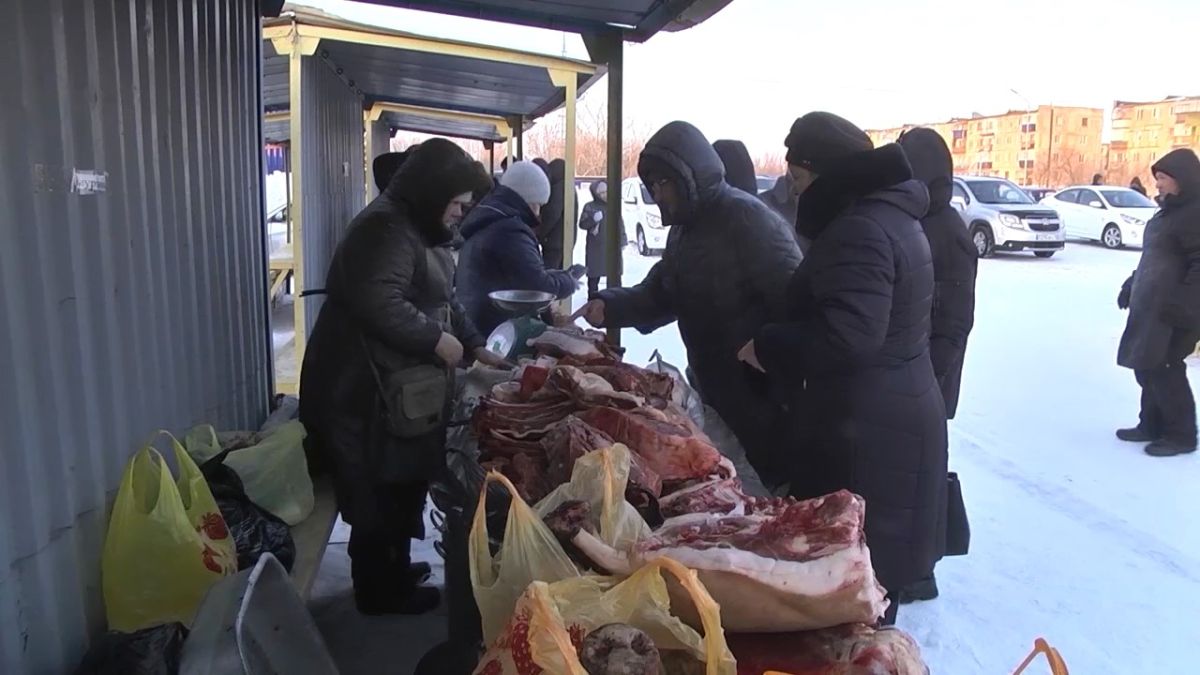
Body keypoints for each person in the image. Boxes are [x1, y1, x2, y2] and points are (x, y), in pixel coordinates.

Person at [737, 112, 947, 626]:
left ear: (829, 174)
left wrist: (767, 346)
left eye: (802, 178)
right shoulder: (889, 217)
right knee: (871, 591)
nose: (795, 189)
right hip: (890, 418)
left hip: (869, 436)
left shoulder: (861, 229)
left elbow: (848, 337)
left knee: (856, 601)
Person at [299, 139, 502, 616]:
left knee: (403, 479)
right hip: (361, 391)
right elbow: (379, 301)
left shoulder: (420, 227)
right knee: (375, 485)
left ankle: (395, 565)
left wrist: (474, 344)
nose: (459, 214)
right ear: (433, 195)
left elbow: (443, 298)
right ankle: (377, 588)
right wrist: (435, 340)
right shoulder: (384, 229)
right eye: (456, 204)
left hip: (395, 388)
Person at [575, 121, 802, 489]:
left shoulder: (749, 220)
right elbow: (663, 292)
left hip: (761, 404)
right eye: (651, 186)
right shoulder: (685, 228)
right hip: (713, 391)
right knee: (722, 491)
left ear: (687, 177)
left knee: (761, 498)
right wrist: (610, 306)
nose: (656, 194)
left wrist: (770, 362)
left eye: (661, 184)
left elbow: (796, 303)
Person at [896, 127, 978, 603]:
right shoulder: (923, 220)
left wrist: (927, 376)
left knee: (925, 479)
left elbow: (954, 322)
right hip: (917, 374)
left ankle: (922, 571)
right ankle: (917, 564)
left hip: (930, 376)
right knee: (915, 475)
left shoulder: (949, 233)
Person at [1116, 148, 1200, 457]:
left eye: (1163, 178)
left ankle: (1181, 435)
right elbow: (1156, 256)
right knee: (1148, 366)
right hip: (1154, 307)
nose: (1158, 185)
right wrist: (1132, 283)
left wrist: (1185, 304)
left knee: (1165, 368)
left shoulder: (1194, 214)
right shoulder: (1169, 212)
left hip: (1177, 310)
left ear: (1183, 180)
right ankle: (1150, 424)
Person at [456, 160, 584, 337]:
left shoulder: (492, 215)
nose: (538, 213)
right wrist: (569, 282)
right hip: (495, 329)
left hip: (477, 319)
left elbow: (520, 273)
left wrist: (558, 275)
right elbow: (537, 287)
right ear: (526, 199)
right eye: (537, 204)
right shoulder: (510, 230)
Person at [579, 180, 626, 296]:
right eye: (601, 193)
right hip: (595, 248)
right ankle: (593, 299)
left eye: (606, 192)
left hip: (612, 247)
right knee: (594, 277)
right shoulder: (590, 207)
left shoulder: (613, 206)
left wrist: (623, 239)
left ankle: (615, 299)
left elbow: (620, 223)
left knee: (614, 276)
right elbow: (582, 224)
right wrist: (592, 220)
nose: (604, 195)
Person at [538, 158, 575, 269]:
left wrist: (540, 234)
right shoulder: (568, 187)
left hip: (553, 241)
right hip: (563, 239)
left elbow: (552, 214)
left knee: (551, 274)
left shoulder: (558, 188)